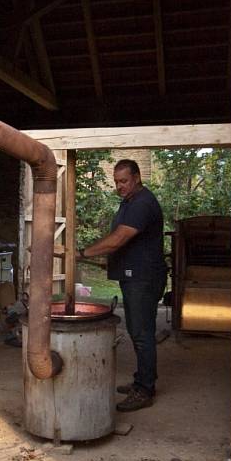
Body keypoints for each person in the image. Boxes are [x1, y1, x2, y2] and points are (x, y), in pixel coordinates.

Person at [78, 159, 167, 412]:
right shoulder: (129, 202)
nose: (119, 186)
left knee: (141, 333)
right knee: (138, 330)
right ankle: (142, 381)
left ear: (137, 177)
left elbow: (118, 239)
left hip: (144, 278)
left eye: (124, 181)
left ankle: (145, 389)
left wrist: (82, 253)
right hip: (134, 276)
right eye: (116, 182)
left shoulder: (142, 203)